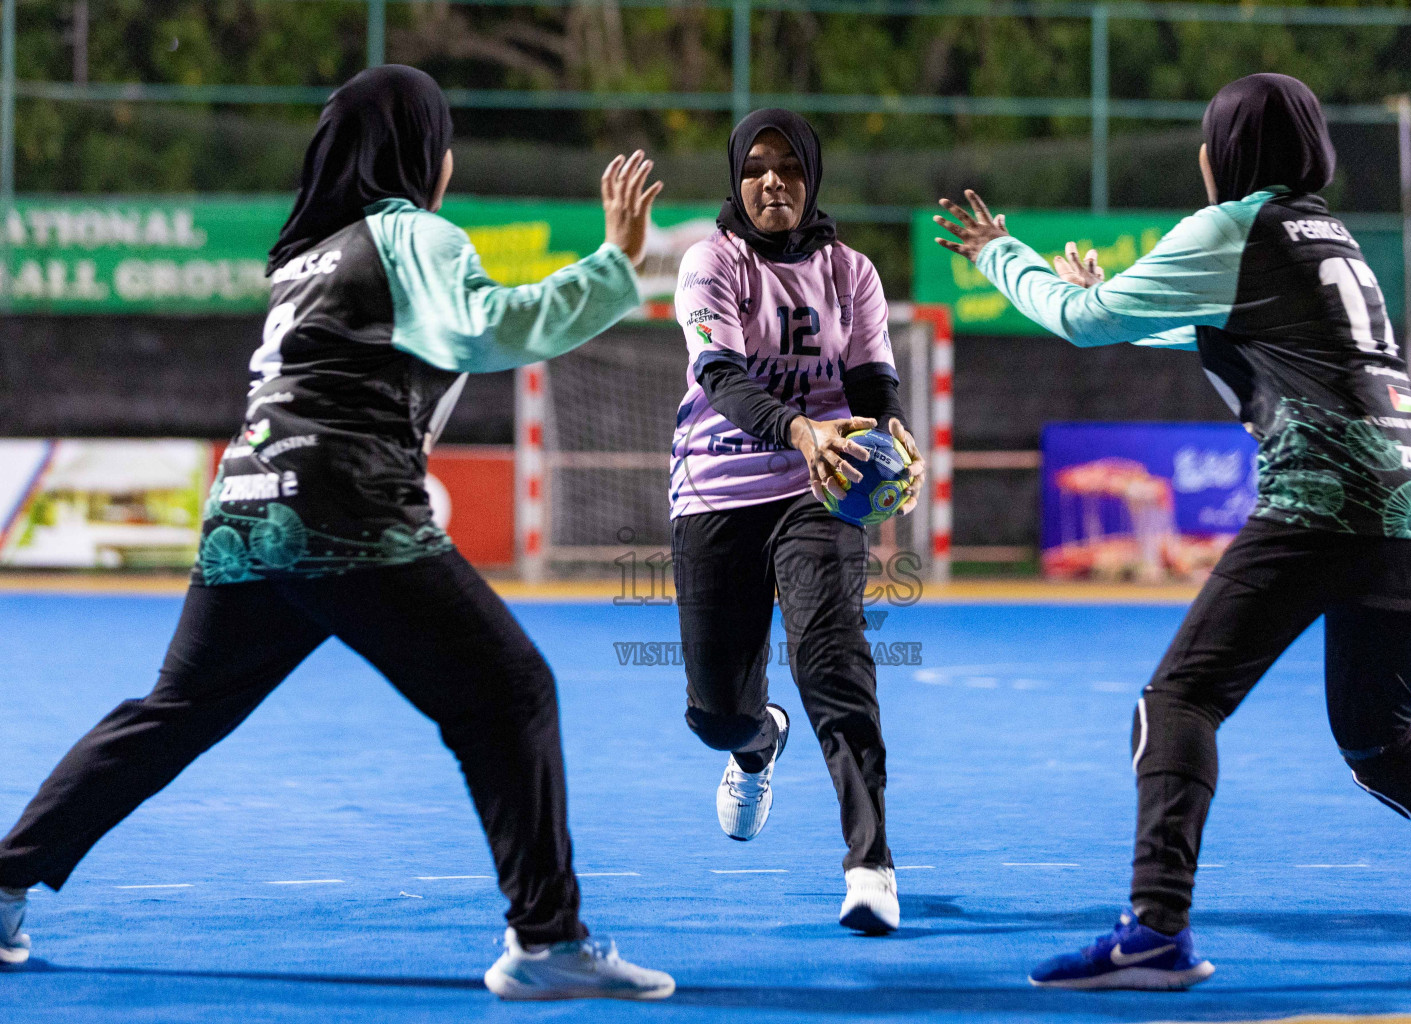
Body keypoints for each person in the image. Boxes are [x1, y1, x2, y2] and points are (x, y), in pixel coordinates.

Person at [0, 65, 675, 1002]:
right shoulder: (412, 236)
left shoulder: (303, 261)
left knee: (174, 713)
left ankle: (3, 879)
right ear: (419, 156)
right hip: (341, 508)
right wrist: (614, 265)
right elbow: (489, 328)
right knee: (510, 692)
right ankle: (547, 940)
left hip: (245, 509)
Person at [936, 72, 1411, 989]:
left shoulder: (1228, 226)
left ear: (1221, 156)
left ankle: (1156, 929)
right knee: (1379, 739)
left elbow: (1086, 324)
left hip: (1329, 489)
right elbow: (1214, 329)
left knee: (1176, 702)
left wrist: (1000, 254)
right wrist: (1113, 298)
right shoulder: (1330, 236)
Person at [669, 108, 925, 934]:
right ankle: (757, 741)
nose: (771, 181)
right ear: (736, 179)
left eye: (788, 166)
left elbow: (874, 381)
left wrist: (891, 436)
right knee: (715, 714)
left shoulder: (853, 272)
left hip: (823, 488)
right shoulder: (712, 261)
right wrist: (802, 428)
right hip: (717, 487)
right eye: (755, 167)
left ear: (812, 177)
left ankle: (871, 862)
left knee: (834, 657)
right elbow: (723, 379)